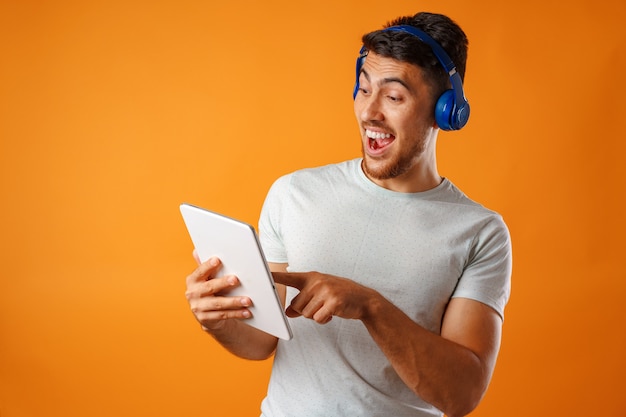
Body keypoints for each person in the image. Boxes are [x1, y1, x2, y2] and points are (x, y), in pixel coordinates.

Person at [185, 11, 512, 417]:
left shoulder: (480, 233)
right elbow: (261, 342)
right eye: (363, 89)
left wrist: (371, 307)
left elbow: (461, 395)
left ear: (445, 110)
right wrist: (218, 320)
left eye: (393, 97)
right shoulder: (293, 193)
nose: (369, 112)